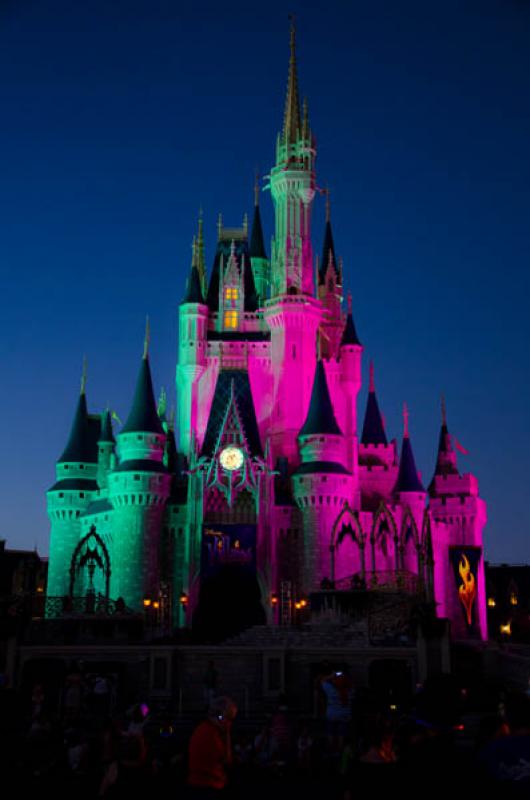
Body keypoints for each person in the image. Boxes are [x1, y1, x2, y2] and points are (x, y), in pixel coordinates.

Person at [188, 696, 237, 795]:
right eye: (230, 719)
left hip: (196, 782)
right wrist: (227, 733)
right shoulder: (212, 733)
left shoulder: (201, 728)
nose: (230, 723)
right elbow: (227, 760)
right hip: (209, 785)